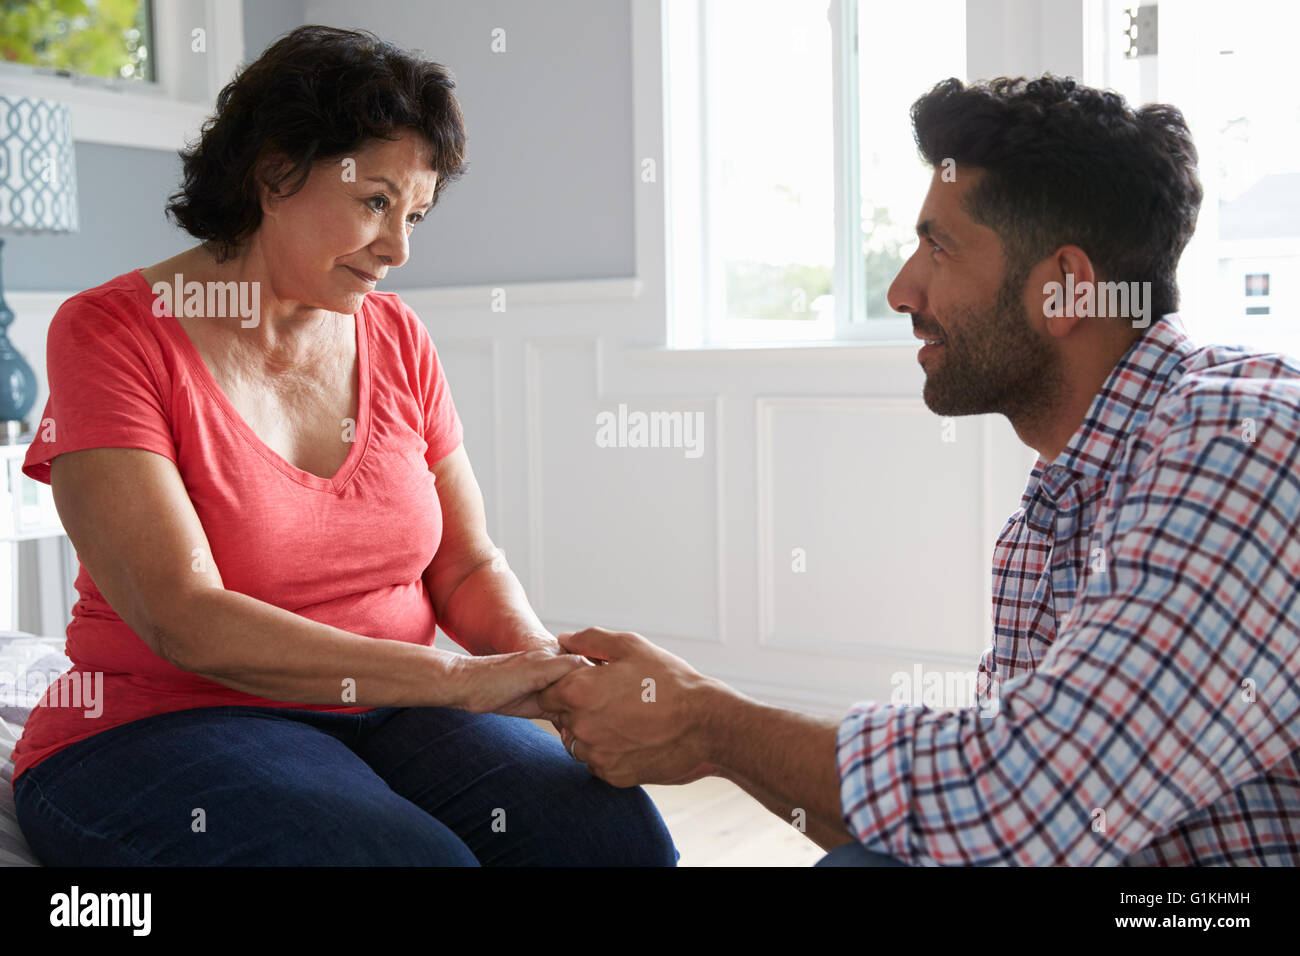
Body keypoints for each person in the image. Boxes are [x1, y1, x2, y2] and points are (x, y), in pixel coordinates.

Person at [538, 75, 1300, 866]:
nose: (902, 289)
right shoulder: (1058, 505)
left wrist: (705, 724)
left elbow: (1021, 803)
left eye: (939, 246)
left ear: (1067, 287)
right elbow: (960, 837)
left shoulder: (1241, 439)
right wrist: (707, 735)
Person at [11, 24, 676, 867]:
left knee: (612, 838)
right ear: (274, 171)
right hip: (162, 721)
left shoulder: (398, 337)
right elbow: (183, 618)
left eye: (416, 215)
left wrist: (546, 670)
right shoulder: (111, 333)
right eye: (375, 202)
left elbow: (465, 567)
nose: (399, 249)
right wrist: (456, 683)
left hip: (390, 709)